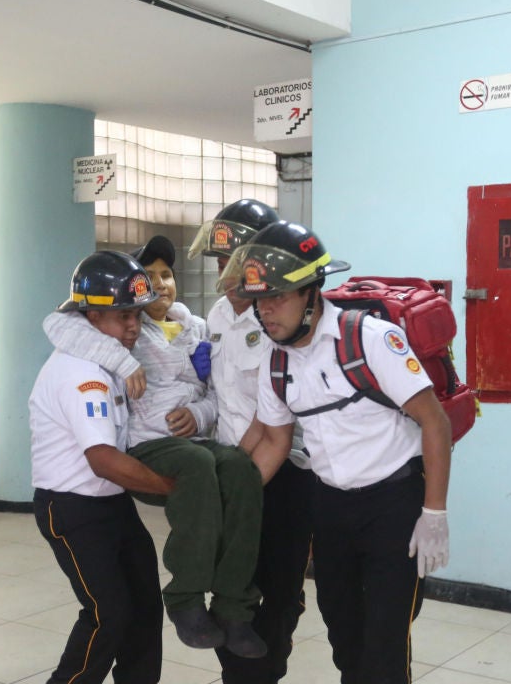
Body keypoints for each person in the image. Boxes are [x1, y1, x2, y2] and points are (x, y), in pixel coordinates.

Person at [231, 221, 452, 684]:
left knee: (385, 644)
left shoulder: (370, 339)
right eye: (258, 301)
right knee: (344, 634)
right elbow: (274, 440)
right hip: (330, 506)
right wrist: (232, 499)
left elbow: (435, 421)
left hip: (393, 506)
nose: (265, 311)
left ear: (311, 293)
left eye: (277, 297)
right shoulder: (276, 361)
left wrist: (434, 513)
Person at [42, 235, 266, 658]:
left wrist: (200, 412)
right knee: (197, 465)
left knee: (239, 468)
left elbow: (214, 394)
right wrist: (124, 361)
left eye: (166, 274)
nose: (160, 283)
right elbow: (61, 325)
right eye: (150, 276)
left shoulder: (198, 327)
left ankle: (234, 605)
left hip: (195, 437)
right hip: (148, 443)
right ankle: (186, 597)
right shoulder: (122, 332)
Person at [29, 250, 176, 684]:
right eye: (122, 317)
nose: (133, 327)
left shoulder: (110, 360)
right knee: (106, 613)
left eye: (137, 315)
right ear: (91, 316)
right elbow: (104, 460)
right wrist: (175, 488)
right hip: (72, 509)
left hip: (111, 505)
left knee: (144, 607)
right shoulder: (82, 374)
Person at [189, 199, 314, 684]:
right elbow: (216, 397)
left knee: (277, 595)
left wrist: (235, 479)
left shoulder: (280, 320)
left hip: (280, 475)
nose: (225, 272)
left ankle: (262, 675)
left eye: (235, 260)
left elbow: (274, 420)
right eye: (220, 260)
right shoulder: (219, 314)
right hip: (230, 468)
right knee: (229, 589)